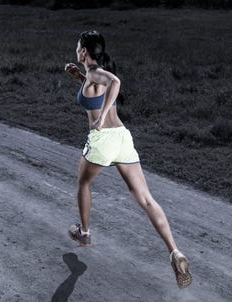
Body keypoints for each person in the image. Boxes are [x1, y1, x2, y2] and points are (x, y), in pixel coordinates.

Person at [64, 30, 192, 289]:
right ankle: (175, 253)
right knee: (146, 199)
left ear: (84, 52)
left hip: (103, 140)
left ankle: (84, 233)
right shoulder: (89, 75)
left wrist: (99, 119)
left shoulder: (95, 73)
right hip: (122, 138)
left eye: (78, 47)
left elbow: (114, 83)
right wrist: (77, 77)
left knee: (84, 184)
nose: (76, 50)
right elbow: (97, 91)